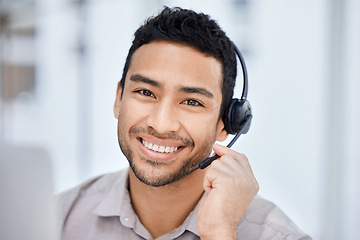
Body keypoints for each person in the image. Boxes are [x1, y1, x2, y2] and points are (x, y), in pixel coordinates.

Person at [56, 7, 311, 240]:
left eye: (191, 102)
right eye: (146, 92)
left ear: (226, 123)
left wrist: (219, 233)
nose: (161, 124)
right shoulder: (55, 221)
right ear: (118, 100)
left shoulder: (278, 236)